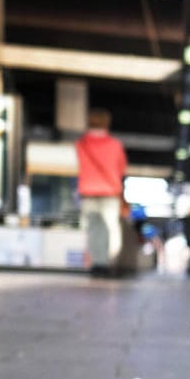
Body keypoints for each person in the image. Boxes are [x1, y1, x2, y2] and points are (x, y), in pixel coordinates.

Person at [74, 108, 129, 276]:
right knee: (110, 229)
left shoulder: (81, 144)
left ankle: (96, 264)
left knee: (93, 229)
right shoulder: (115, 145)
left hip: (88, 191)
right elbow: (121, 169)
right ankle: (107, 263)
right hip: (110, 192)